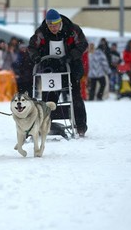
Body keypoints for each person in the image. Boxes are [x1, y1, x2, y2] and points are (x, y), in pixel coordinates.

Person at [28, 9, 88, 137]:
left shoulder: (72, 29)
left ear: (60, 22)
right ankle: (46, 125)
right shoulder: (42, 32)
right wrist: (36, 56)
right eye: (50, 26)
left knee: (75, 97)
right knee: (49, 99)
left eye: (55, 25)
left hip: (71, 68)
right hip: (50, 70)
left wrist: (70, 56)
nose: (52, 28)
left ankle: (80, 126)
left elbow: (82, 44)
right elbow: (32, 46)